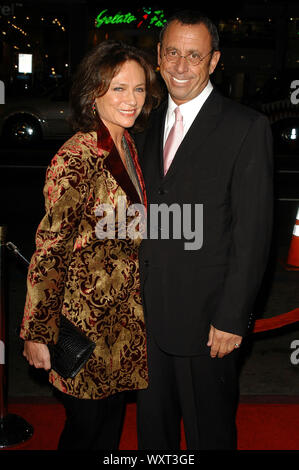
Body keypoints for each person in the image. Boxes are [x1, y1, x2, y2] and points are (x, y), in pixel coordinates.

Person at [135, 10, 273, 450]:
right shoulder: (144, 121)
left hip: (207, 322)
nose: (180, 66)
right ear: (157, 55)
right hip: (144, 316)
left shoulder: (245, 127)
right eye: (172, 52)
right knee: (152, 436)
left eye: (193, 56)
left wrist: (232, 317)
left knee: (208, 433)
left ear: (213, 61)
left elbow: (253, 235)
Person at [20, 40, 161, 451]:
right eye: (118, 88)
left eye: (138, 89)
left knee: (109, 429)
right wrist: (36, 332)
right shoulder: (76, 157)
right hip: (83, 323)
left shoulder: (127, 145)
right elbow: (50, 249)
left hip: (122, 324)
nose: (131, 100)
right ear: (93, 92)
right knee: (85, 431)